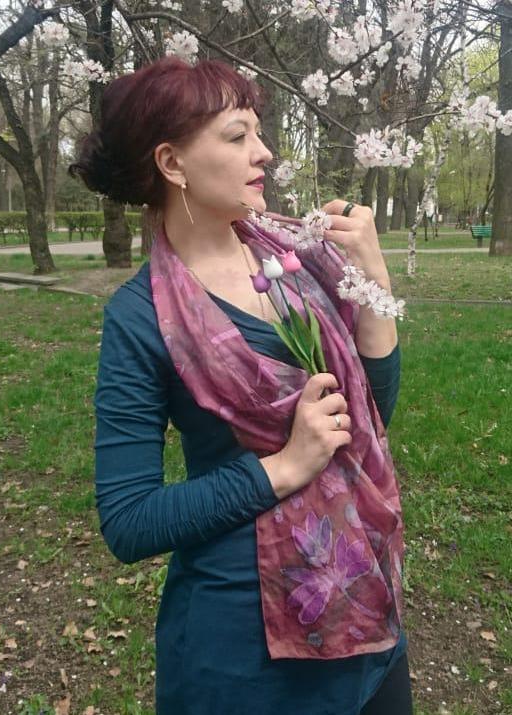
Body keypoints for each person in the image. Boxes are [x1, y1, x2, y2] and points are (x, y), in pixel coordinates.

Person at [69, 56, 413, 715]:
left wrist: (374, 280)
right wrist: (283, 467)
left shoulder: (297, 256)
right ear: (172, 163)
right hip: (245, 655)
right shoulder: (141, 318)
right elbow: (129, 520)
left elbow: (369, 416)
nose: (265, 152)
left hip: (364, 606)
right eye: (237, 135)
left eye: (259, 131)